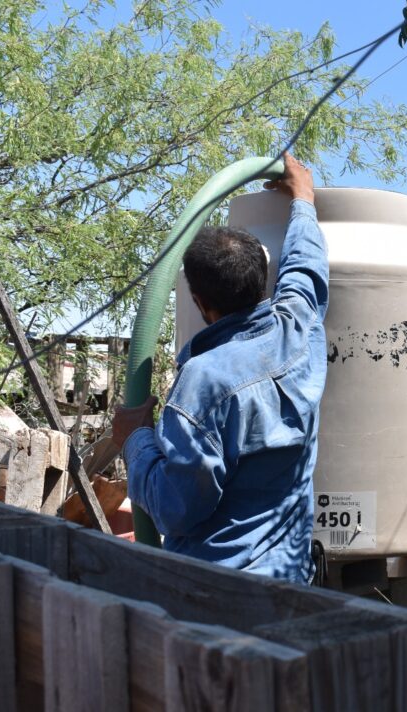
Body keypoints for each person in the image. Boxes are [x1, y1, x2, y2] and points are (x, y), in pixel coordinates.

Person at [112, 153, 328, 583]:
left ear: (199, 303)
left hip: (219, 593)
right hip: (293, 581)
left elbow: (177, 508)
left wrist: (134, 441)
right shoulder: (298, 330)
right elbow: (306, 269)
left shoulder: (204, 380)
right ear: (263, 280)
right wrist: (303, 197)